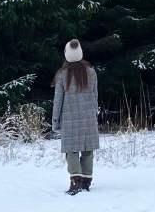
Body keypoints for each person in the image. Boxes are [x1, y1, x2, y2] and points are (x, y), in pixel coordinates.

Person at [51, 39, 99, 195]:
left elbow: (58, 101)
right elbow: (95, 96)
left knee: (71, 150)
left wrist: (55, 121)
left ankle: (76, 181)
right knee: (88, 150)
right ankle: (86, 181)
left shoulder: (62, 75)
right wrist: (94, 114)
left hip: (69, 119)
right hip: (88, 118)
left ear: (67, 55)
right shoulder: (91, 73)